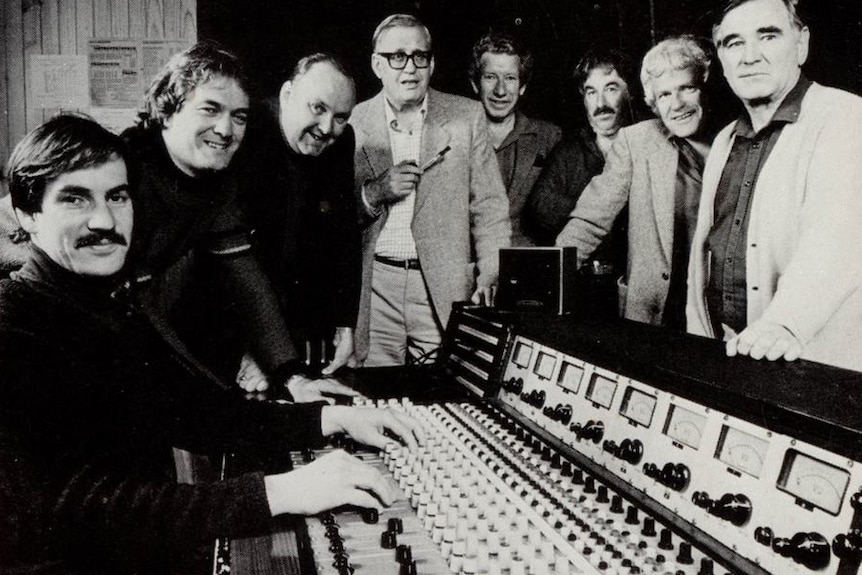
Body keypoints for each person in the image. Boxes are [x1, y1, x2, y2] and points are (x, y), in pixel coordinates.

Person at [0, 114, 424, 574]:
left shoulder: (107, 304)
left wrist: (329, 418)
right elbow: (61, 509)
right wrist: (279, 493)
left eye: (117, 196)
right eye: (75, 199)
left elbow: (197, 412)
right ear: (27, 214)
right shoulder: (13, 325)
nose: (104, 220)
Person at [123, 41, 352, 398]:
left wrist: (292, 376)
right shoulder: (117, 169)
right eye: (210, 110)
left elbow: (247, 282)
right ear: (167, 110)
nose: (226, 131)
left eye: (239, 116)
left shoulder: (215, 185)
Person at [687, 0, 862, 371]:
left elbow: (837, 236)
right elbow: (705, 254)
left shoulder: (846, 117)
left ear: (801, 45)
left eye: (768, 36)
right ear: (721, 59)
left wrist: (784, 323)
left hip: (815, 366)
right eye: (734, 43)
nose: (750, 57)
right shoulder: (725, 140)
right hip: (735, 359)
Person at [351, 14, 511, 367]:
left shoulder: (467, 117)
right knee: (376, 396)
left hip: (443, 285)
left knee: (448, 391)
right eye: (397, 57)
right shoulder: (353, 122)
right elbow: (328, 219)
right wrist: (373, 194)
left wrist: (491, 274)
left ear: (432, 63)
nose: (410, 68)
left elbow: (490, 209)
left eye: (419, 56)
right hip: (375, 289)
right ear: (377, 64)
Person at [557, 35, 714, 329]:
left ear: (704, 88)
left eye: (687, 88)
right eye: (664, 95)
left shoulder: (735, 140)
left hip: (720, 318)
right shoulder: (636, 141)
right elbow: (590, 221)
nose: (677, 104)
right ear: (652, 103)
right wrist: (544, 283)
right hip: (654, 314)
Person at [238, 53, 360, 383]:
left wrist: (345, 323)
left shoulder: (342, 141)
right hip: (237, 317)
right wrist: (258, 348)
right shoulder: (246, 131)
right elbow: (235, 263)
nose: (326, 128)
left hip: (298, 318)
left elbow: (344, 234)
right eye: (317, 108)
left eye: (340, 117)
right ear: (287, 95)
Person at [527, 48, 636, 249]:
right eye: (591, 92)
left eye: (611, 89)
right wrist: (608, 215)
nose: (601, 103)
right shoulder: (568, 152)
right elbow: (540, 206)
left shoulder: (646, 144)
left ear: (629, 92)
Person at [469, 32, 562, 246]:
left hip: (526, 265)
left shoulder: (550, 138)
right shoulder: (455, 138)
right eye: (490, 77)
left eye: (510, 78)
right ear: (475, 84)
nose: (500, 90)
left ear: (522, 86)